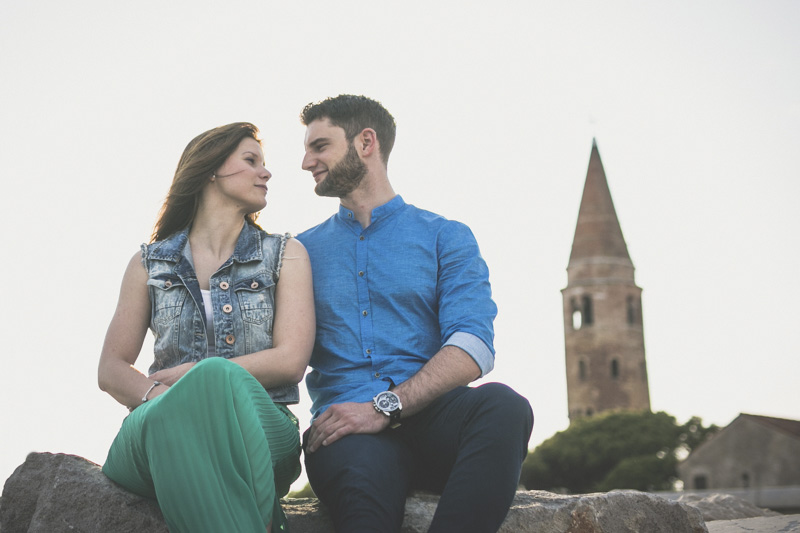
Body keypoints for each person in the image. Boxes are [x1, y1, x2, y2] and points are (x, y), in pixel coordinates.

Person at [296, 95, 534, 533]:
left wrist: (386, 406)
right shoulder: (298, 252)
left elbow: (474, 346)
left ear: (366, 142)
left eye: (319, 146)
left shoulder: (446, 236)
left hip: (435, 419)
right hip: (346, 433)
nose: (306, 161)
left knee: (504, 406)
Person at [98, 122, 315, 533]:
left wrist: (194, 375)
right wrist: (165, 397)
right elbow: (110, 369)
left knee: (214, 374)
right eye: (251, 161)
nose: (265, 173)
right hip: (159, 420)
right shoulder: (149, 263)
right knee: (177, 415)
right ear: (210, 170)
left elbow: (290, 361)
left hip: (262, 423)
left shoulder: (286, 255)